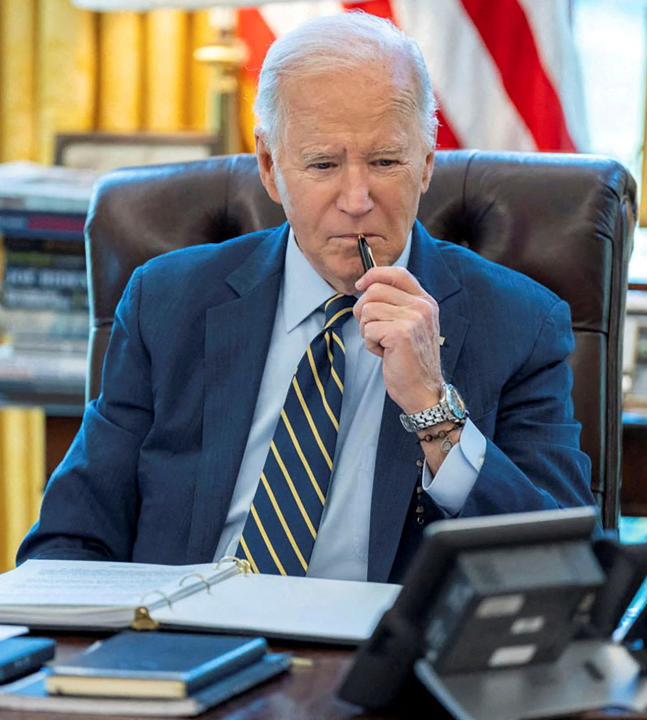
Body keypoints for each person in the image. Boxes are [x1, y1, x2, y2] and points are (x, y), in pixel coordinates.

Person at [18, 12, 595, 582]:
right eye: (323, 164)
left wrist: (433, 408)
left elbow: (562, 566)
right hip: (183, 647)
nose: (356, 199)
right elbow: (70, 539)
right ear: (270, 167)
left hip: (376, 661)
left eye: (385, 161)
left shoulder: (521, 322)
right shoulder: (166, 302)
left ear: (425, 164)